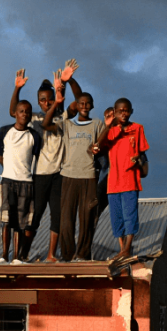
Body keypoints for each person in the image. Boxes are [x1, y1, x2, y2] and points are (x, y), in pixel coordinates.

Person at [11, 63, 76, 262]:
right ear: (38, 102)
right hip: (39, 174)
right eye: (42, 100)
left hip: (59, 174)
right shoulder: (34, 117)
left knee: (57, 216)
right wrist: (17, 88)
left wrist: (67, 83)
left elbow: (77, 103)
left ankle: (51, 254)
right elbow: (14, 111)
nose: (47, 103)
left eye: (50, 99)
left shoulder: (63, 117)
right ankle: (23, 253)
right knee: (35, 216)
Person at [42, 70, 104, 262]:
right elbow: (46, 124)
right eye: (81, 103)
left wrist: (97, 149)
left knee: (87, 219)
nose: (84, 106)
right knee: (66, 220)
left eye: (87, 103)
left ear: (92, 106)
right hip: (68, 176)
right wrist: (59, 101)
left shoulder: (98, 124)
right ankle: (68, 255)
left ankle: (83, 255)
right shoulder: (67, 124)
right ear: (77, 106)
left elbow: (101, 146)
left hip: (88, 177)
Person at [97, 98, 148, 261]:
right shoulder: (111, 131)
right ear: (115, 112)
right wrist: (108, 125)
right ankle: (121, 248)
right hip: (113, 181)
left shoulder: (138, 128)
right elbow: (98, 145)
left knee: (130, 215)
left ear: (131, 111)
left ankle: (128, 248)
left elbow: (142, 152)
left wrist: (137, 159)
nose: (123, 113)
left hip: (130, 179)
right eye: (120, 111)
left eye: (126, 110)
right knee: (116, 216)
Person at [0, 100, 42, 264]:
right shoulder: (4, 131)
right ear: (15, 113)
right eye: (21, 111)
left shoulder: (34, 136)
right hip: (7, 180)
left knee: (21, 222)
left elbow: (35, 158)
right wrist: (10, 168)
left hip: (26, 181)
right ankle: (4, 255)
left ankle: (16, 257)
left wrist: (22, 170)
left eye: (28, 112)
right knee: (6, 220)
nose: (24, 114)